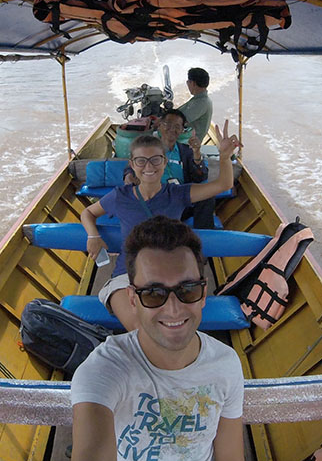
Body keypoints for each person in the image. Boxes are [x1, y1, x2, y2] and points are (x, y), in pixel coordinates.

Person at [70, 216, 270, 461]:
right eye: (154, 294)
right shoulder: (106, 369)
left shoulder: (225, 364)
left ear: (204, 292)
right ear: (133, 298)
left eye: (187, 290)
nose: (174, 308)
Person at [81, 121, 240, 332]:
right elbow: (88, 213)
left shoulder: (177, 194)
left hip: (170, 274)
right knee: (141, 327)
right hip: (125, 276)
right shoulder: (121, 196)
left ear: (164, 162)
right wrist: (93, 237)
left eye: (155, 160)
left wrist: (225, 156)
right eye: (141, 161)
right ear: (132, 163)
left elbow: (223, 185)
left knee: (174, 325)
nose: (149, 166)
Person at [123, 108, 216, 229]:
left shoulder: (187, 151)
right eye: (168, 124)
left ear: (182, 130)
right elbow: (131, 167)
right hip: (156, 199)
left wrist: (197, 154)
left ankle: (203, 238)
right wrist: (128, 176)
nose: (172, 129)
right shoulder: (148, 148)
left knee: (207, 196)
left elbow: (201, 177)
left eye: (177, 126)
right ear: (160, 125)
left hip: (182, 200)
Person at [177, 67, 213, 142]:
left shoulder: (202, 103)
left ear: (193, 83)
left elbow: (179, 121)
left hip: (188, 143)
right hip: (186, 136)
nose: (187, 84)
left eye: (188, 82)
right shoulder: (199, 99)